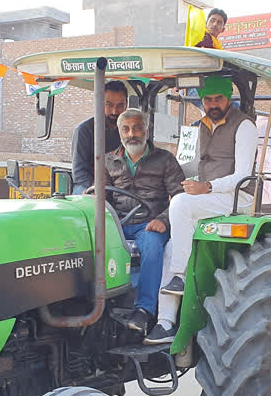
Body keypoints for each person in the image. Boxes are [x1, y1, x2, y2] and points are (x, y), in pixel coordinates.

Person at [157, 76, 258, 337]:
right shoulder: (195, 127)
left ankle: (180, 274)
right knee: (169, 247)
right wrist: (189, 182)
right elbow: (187, 167)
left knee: (181, 204)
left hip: (238, 196)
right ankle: (165, 322)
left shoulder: (244, 126)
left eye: (218, 99)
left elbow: (243, 174)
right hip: (204, 198)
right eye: (208, 99)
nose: (213, 104)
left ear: (228, 98)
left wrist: (206, 187)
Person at [104, 108, 184, 341]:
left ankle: (144, 310)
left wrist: (163, 220)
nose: (132, 134)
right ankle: (103, 302)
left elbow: (181, 198)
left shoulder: (164, 159)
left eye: (137, 128)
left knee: (151, 245)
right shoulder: (108, 160)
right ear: (120, 132)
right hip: (118, 223)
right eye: (126, 129)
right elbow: (100, 196)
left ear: (146, 131)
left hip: (150, 224)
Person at [71, 81, 128, 194]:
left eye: (120, 106)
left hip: (121, 186)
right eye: (109, 105)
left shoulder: (130, 131)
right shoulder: (84, 130)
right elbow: (79, 171)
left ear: (127, 105)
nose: (114, 111)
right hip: (89, 184)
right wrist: (95, 189)